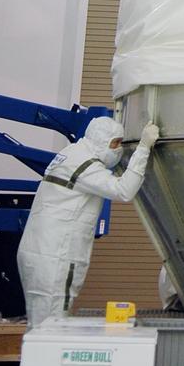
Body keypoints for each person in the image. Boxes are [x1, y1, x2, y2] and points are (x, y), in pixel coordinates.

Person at [17, 116, 159, 329]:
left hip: (42, 251)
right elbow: (123, 190)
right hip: (56, 256)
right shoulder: (85, 164)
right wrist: (143, 148)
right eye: (115, 144)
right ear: (101, 141)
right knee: (50, 327)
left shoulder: (71, 154)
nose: (118, 150)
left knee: (39, 325)